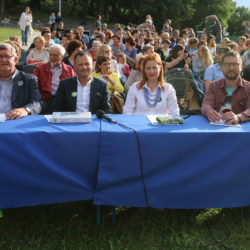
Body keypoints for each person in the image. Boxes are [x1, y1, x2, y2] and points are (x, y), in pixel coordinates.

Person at [202, 51, 250, 124]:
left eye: (235, 64)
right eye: (227, 65)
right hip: (216, 130)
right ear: (222, 67)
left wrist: (239, 117)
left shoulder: (248, 87)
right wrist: (209, 111)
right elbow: (206, 104)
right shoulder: (213, 86)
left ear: (241, 66)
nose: (231, 68)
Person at [0, 43, 41, 118]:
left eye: (6, 56)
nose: (3, 60)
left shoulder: (29, 79)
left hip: (15, 120)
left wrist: (25, 110)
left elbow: (36, 103)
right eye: (0, 56)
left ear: (15, 60)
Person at [33, 44, 75, 114]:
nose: (52, 57)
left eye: (55, 55)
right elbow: (33, 84)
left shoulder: (69, 69)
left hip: (63, 99)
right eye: (50, 55)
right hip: (46, 99)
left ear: (62, 57)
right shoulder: (41, 68)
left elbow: (74, 85)